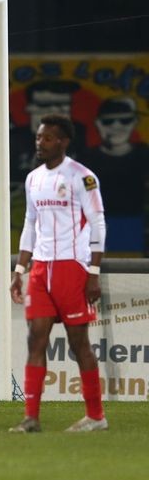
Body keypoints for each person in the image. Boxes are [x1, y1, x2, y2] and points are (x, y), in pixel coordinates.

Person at [9, 113, 107, 433]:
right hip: (41, 269)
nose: (41, 142)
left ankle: (95, 416)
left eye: (48, 138)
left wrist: (93, 271)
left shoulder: (82, 177)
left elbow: (98, 224)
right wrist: (20, 268)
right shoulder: (34, 178)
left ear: (63, 142)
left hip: (71, 268)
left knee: (79, 343)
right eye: (38, 137)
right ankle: (31, 418)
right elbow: (29, 225)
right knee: (36, 340)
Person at [79, 97, 149, 254]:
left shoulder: (143, 155)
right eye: (108, 122)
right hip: (96, 225)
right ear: (98, 123)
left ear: (134, 122)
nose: (117, 127)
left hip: (135, 224)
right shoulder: (88, 159)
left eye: (125, 121)